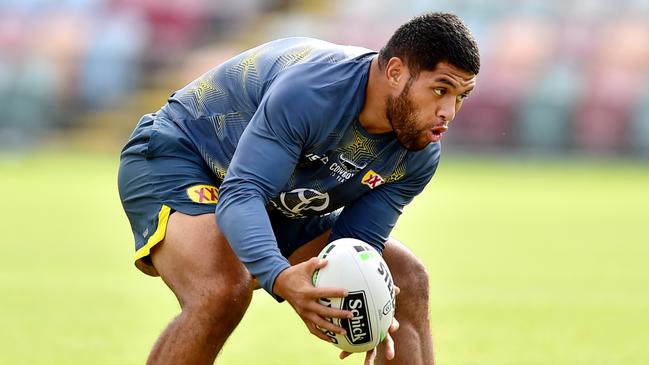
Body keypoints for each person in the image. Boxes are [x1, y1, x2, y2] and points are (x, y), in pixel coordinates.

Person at [118, 11, 479, 365]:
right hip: (181, 154)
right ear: (396, 72)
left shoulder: (418, 152)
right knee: (223, 289)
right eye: (440, 89)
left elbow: (353, 245)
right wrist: (279, 276)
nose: (449, 111)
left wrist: (371, 302)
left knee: (405, 279)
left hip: (274, 196)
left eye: (461, 96)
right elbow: (241, 193)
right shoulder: (314, 92)